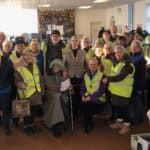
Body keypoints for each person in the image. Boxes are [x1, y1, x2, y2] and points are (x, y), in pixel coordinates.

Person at [103, 45, 135, 135]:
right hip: (115, 90)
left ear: (124, 53)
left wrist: (108, 79)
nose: (117, 54)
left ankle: (127, 125)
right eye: (116, 52)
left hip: (124, 91)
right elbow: (114, 73)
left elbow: (120, 77)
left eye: (119, 52)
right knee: (118, 107)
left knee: (124, 109)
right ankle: (119, 122)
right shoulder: (118, 62)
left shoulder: (128, 64)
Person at [14, 49, 43, 135]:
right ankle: (27, 127)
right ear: (23, 56)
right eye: (26, 55)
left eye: (31, 54)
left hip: (37, 93)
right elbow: (17, 81)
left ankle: (32, 124)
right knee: (27, 112)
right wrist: (20, 84)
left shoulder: (35, 66)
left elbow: (40, 79)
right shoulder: (19, 68)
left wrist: (42, 91)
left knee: (34, 111)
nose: (29, 56)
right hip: (26, 94)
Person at [44, 59, 69, 137]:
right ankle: (56, 126)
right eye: (55, 66)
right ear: (52, 66)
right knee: (57, 99)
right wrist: (60, 88)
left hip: (60, 94)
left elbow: (65, 86)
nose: (57, 67)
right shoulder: (47, 75)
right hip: (50, 94)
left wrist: (69, 87)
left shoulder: (60, 75)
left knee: (59, 98)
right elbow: (50, 86)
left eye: (58, 66)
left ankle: (58, 123)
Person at [81, 58, 106, 133]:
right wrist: (82, 95)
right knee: (83, 104)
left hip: (98, 99)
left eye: (94, 64)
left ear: (97, 65)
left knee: (88, 106)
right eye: (91, 64)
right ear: (88, 65)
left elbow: (101, 91)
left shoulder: (102, 75)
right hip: (88, 97)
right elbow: (82, 87)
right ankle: (87, 122)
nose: (92, 66)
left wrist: (90, 97)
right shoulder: (85, 75)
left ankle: (89, 124)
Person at [63, 35, 87, 116]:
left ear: (78, 42)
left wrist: (86, 74)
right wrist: (65, 71)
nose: (74, 42)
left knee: (79, 94)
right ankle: (72, 112)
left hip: (80, 76)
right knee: (71, 95)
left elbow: (86, 64)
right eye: (73, 40)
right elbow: (64, 64)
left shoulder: (83, 52)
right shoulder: (66, 52)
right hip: (70, 77)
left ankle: (78, 111)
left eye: (76, 40)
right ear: (71, 42)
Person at [130, 40, 146, 125]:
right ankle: (137, 118)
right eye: (132, 46)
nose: (133, 48)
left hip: (138, 84)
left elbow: (142, 75)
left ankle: (137, 120)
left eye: (135, 47)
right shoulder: (132, 56)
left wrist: (140, 88)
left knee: (138, 102)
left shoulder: (141, 59)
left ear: (139, 48)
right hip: (131, 83)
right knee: (134, 102)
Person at [0, 50, 13, 135]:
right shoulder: (6, 60)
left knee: (6, 110)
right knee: (5, 110)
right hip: (5, 89)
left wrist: (8, 85)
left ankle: (7, 127)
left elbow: (10, 73)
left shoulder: (7, 60)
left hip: (5, 90)